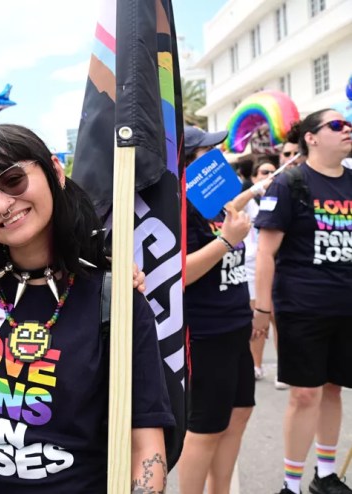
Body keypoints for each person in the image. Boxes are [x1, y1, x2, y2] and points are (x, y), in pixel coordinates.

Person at [0, 124, 173, 493]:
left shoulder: (115, 298)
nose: (0, 205)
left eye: (12, 180)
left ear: (55, 171)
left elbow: (146, 445)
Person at [254, 110, 352, 494]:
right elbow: (265, 253)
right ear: (311, 137)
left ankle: (325, 475)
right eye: (337, 125)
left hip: (346, 307)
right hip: (301, 307)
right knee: (305, 393)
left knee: (333, 389)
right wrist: (262, 308)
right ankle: (290, 484)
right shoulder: (290, 183)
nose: (347, 129)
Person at [178, 126, 257, 494]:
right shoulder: (180, 207)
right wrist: (227, 240)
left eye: (217, 151)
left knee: (239, 413)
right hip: (206, 331)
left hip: (236, 323)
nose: (216, 159)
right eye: (206, 152)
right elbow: (180, 274)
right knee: (206, 426)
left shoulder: (219, 201)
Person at [242, 160, 288, 389]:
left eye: (272, 171)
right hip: (253, 267)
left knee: (277, 319)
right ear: (254, 177)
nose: (270, 175)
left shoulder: (285, 195)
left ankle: (284, 369)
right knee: (258, 318)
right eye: (264, 172)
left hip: (281, 265)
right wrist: (252, 191)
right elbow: (231, 206)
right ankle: (256, 365)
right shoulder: (249, 202)